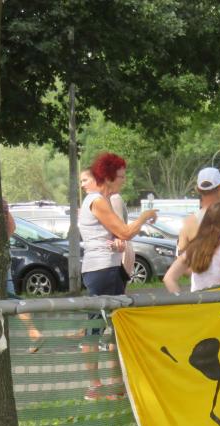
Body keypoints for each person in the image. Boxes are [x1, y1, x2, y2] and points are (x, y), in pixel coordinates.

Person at [79, 153, 157, 399]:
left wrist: (116, 243)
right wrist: (144, 216)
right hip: (102, 270)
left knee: (111, 326)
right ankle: (97, 386)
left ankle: (114, 383)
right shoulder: (98, 201)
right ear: (109, 177)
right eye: (121, 176)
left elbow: (114, 236)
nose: (124, 180)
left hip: (105, 267)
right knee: (99, 327)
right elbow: (125, 231)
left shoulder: (100, 200)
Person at [163, 202, 220, 292]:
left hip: (197, 299)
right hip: (219, 300)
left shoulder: (194, 247)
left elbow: (169, 278)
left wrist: (181, 298)